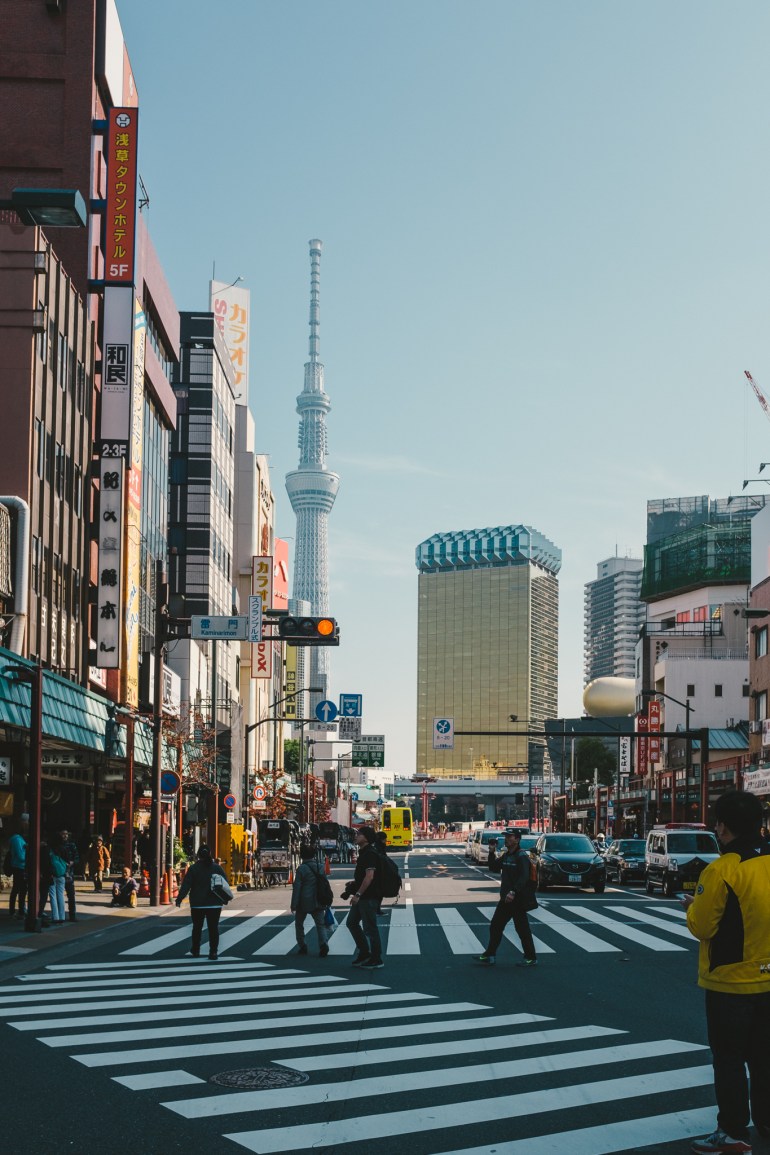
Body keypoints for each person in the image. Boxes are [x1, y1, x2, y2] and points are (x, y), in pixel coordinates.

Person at [683, 790, 770, 1155]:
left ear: (723, 827)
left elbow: (702, 927)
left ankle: (733, 1132)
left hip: (731, 983)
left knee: (730, 1059)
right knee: (765, 1057)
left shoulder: (722, 868)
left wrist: (692, 907)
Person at [475, 827, 538, 968]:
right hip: (506, 899)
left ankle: (531, 957)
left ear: (517, 839)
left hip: (517, 899)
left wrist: (513, 891)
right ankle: (490, 954)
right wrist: (491, 851)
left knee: (522, 929)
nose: (507, 839)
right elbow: (493, 867)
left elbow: (524, 877)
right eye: (506, 836)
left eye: (510, 837)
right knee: (496, 925)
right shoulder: (507, 855)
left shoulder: (521, 856)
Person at [175, 845, 228, 961]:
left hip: (197, 904)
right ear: (210, 854)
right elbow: (225, 884)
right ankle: (213, 952)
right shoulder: (217, 868)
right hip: (215, 903)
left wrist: (179, 898)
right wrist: (225, 898)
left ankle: (195, 950)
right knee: (213, 928)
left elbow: (186, 885)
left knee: (197, 927)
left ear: (198, 855)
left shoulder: (194, 868)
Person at [343, 826, 383, 969]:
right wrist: (354, 883)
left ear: (366, 838)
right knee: (352, 923)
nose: (356, 836)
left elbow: (370, 876)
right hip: (362, 896)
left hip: (368, 897)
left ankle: (376, 958)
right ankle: (365, 952)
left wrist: (358, 894)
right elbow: (364, 876)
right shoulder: (364, 852)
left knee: (370, 928)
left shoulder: (370, 854)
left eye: (359, 834)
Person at [291, 843, 330, 957]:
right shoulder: (321, 866)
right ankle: (323, 944)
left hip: (303, 901)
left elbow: (297, 887)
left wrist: (294, 904)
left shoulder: (301, 869)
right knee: (320, 924)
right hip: (319, 900)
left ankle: (302, 945)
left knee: (299, 924)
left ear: (302, 855)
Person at [7, 815, 28, 920]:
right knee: (18, 889)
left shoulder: (18, 839)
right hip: (19, 867)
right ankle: (15, 911)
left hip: (19, 866)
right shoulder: (17, 839)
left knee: (20, 889)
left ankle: (20, 910)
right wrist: (29, 856)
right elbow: (20, 856)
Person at [57, 829, 80, 921]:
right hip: (60, 873)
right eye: (63, 834)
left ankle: (72, 915)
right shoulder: (57, 846)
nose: (65, 836)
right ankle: (59, 915)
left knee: (71, 894)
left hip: (70, 874)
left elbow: (77, 858)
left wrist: (73, 862)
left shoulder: (72, 845)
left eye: (66, 834)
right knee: (59, 895)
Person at [47, 833, 68, 925]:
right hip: (62, 874)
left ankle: (55, 917)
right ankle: (62, 916)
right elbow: (68, 862)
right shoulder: (64, 849)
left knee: (52, 895)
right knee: (60, 895)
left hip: (52, 874)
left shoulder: (50, 849)